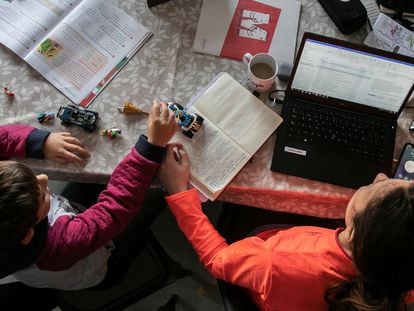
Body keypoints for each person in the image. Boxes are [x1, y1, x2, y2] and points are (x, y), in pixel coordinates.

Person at [159, 143, 414, 311]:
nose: (381, 176)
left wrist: (179, 192)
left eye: (372, 189)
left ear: (357, 230)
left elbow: (217, 258)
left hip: (269, 270)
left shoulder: (277, 261)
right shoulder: (402, 277)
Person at [0, 100, 178, 290]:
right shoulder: (63, 244)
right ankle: (121, 264)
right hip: (97, 265)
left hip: (62, 224)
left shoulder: (19, 229)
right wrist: (151, 148)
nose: (44, 178)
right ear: (28, 234)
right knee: (157, 194)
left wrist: (39, 142)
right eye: (41, 194)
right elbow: (115, 207)